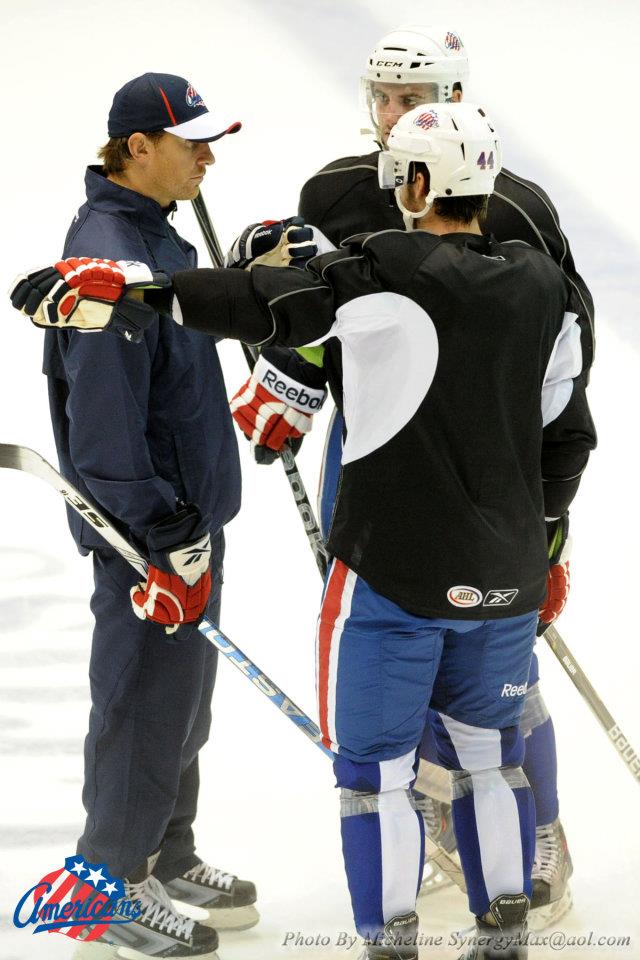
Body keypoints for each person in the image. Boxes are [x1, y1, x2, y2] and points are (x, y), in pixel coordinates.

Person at [14, 101, 597, 960]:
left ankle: (389, 945)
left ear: (421, 183)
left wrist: (137, 290)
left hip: (392, 576)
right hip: (504, 581)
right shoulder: (543, 286)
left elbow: (269, 306)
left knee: (377, 776)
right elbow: (568, 441)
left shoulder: (382, 271)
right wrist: (546, 549)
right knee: (491, 758)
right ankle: (501, 939)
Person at [227, 24, 594, 926]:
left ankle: (537, 828)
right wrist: (287, 388)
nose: (395, 116)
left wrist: (550, 518)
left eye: (416, 98)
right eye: (384, 98)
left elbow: (563, 358)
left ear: (460, 99)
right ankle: (431, 819)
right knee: (392, 646)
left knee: (492, 662)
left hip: (491, 458)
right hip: (380, 447)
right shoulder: (338, 191)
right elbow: (317, 314)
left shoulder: (520, 210)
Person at [23, 72, 258, 959]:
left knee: (182, 705)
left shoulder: (157, 237)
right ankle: (108, 887)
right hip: (149, 536)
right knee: (140, 707)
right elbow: (107, 426)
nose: (206, 155)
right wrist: (157, 534)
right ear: (136, 149)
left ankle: (165, 849)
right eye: (190, 141)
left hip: (186, 522)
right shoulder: (109, 260)